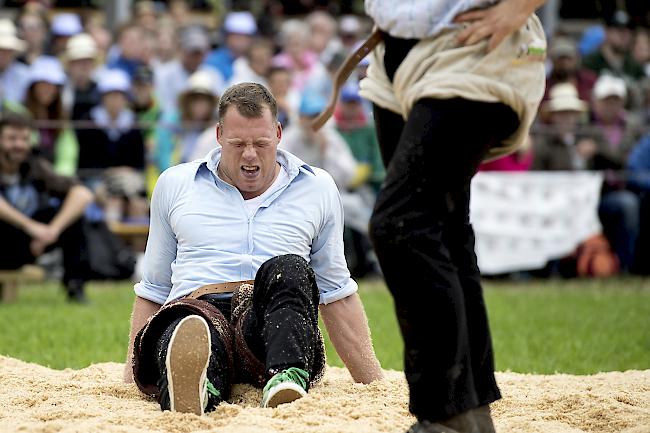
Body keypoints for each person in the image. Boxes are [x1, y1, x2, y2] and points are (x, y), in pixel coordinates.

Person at [123, 83, 383, 414]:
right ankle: (198, 385)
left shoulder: (317, 187)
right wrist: (130, 378)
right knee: (188, 326)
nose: (249, 154)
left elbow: (337, 292)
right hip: (199, 311)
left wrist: (374, 384)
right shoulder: (175, 184)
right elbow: (154, 288)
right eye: (237, 144)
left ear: (278, 133)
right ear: (218, 135)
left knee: (288, 268)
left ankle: (284, 378)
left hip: (271, 324)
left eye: (261, 143)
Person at [359, 1, 547, 432]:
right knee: (442, 229)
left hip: (474, 47)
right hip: (393, 56)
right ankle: (470, 411)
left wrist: (519, 6)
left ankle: (445, 413)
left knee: (401, 224)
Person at [0, 114, 94, 302]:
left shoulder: (35, 166)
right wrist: (31, 226)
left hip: (28, 242)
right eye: (12, 139)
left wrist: (52, 230)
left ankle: (75, 288)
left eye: (24, 139)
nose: (19, 145)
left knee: (73, 217)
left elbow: (82, 193)